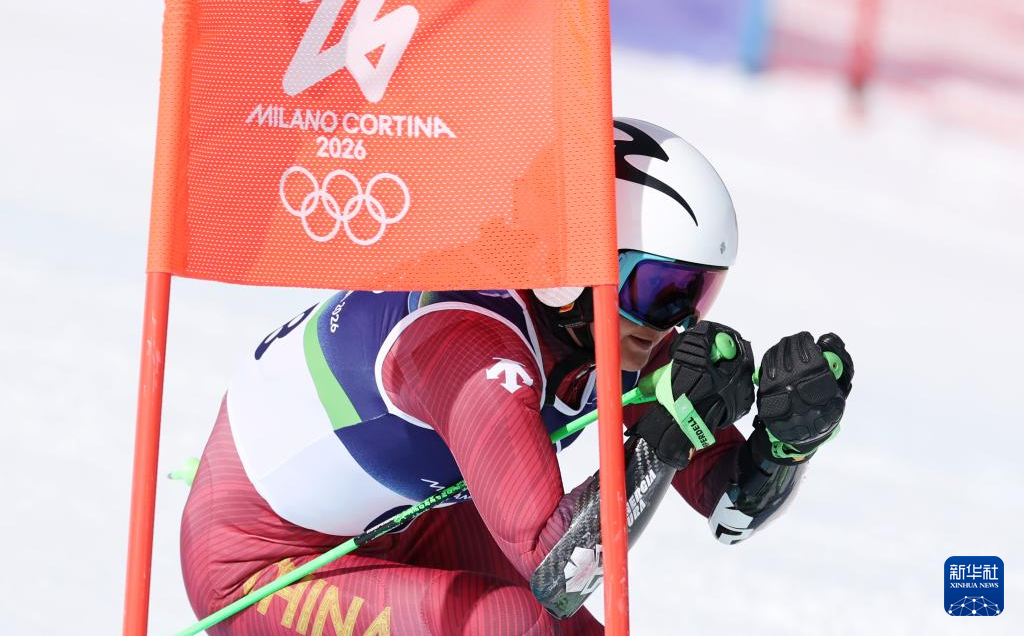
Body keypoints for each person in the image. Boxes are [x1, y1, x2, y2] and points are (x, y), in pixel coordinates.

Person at [180, 118, 854, 635]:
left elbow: (730, 510)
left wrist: (786, 443)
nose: (672, 323)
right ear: (575, 265)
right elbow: (563, 571)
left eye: (696, 294)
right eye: (657, 288)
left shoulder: (606, 323)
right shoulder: (469, 345)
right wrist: (663, 438)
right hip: (260, 563)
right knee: (515, 626)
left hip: (399, 523)